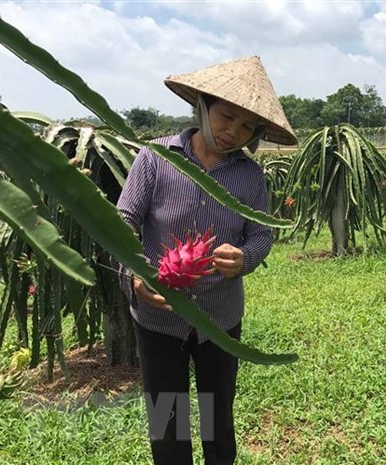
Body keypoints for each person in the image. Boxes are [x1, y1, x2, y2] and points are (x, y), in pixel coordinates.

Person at [116, 56, 297, 465]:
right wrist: (136, 275)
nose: (234, 131)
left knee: (217, 418)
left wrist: (245, 258)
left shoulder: (250, 177)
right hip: (158, 321)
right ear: (201, 106)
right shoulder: (156, 158)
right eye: (226, 116)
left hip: (219, 320)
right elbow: (123, 220)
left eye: (248, 126)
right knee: (168, 424)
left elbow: (261, 235)